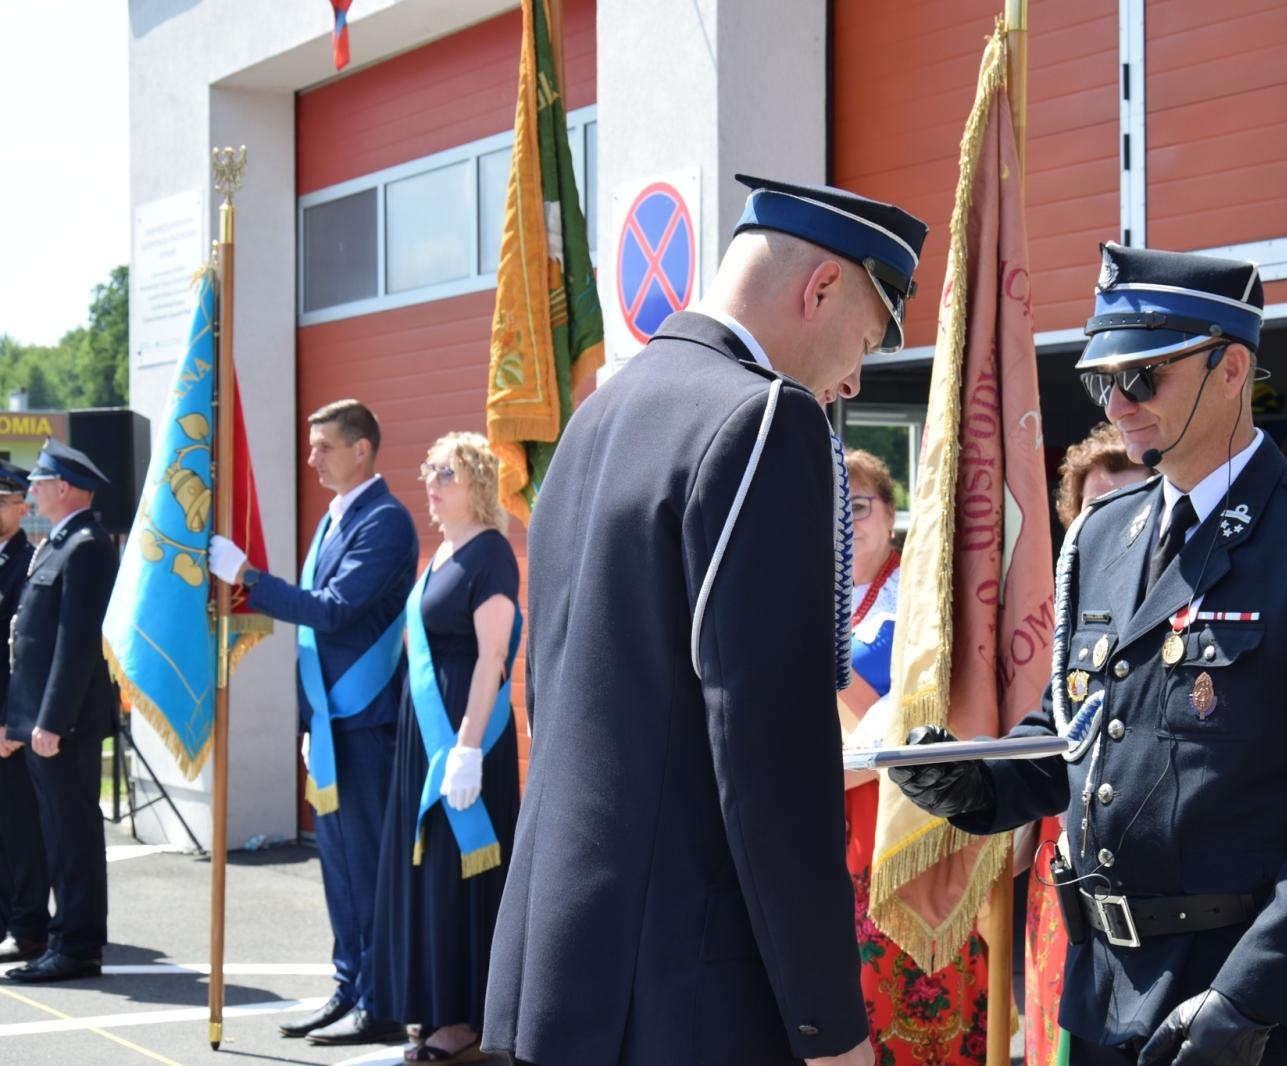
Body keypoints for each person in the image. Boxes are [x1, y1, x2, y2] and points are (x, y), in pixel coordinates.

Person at [889, 243, 1287, 1066]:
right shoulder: (1105, 530)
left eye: (1144, 377)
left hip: (1241, 989)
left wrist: (1253, 994)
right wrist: (978, 782)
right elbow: (1079, 728)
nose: (1119, 402)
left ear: (1233, 367)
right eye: (1104, 381)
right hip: (1105, 986)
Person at [483, 174, 928, 1066]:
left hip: (555, 966)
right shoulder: (765, 418)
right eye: (867, 343)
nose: (851, 379)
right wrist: (830, 1026)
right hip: (686, 990)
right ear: (823, 287)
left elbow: (556, 691)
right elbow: (771, 757)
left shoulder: (596, 413)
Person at [210, 399, 419, 1044]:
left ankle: (381, 1002)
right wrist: (306, 723)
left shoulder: (384, 521)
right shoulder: (336, 520)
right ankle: (349, 985)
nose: (312, 458)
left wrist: (247, 577)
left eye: (324, 446)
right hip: (332, 726)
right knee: (340, 867)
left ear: (362, 449)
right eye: (311, 446)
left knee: (368, 864)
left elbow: (333, 613)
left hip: (367, 723)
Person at [371, 432, 521, 1065]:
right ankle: (434, 1005)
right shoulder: (443, 552)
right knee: (428, 869)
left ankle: (465, 1020)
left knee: (462, 872)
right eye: (429, 469)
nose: (431, 481)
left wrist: (466, 747)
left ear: (479, 484)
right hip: (423, 734)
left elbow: (492, 656)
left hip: (465, 733)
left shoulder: (491, 554)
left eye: (446, 473)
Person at [839, 447, 988, 1065]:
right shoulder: (811, 595)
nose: (845, 522)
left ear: (892, 513)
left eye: (859, 506)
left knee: (914, 1006)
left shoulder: (917, 603)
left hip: (902, 833)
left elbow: (883, 717)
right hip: (828, 835)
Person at [1021, 426, 1145, 1065]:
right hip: (1069, 876)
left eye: (1135, 498)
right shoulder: (1071, 608)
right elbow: (1051, 727)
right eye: (1098, 508)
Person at [3, 440, 119, 983]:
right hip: (36, 720)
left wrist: (52, 721)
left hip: (62, 724)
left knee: (73, 834)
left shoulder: (89, 545)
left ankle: (77, 946)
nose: (30, 492)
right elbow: (26, 642)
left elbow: (75, 645)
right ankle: (58, 939)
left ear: (65, 488)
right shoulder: (56, 544)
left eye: (40, 482)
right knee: (53, 833)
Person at [0, 460, 47, 969]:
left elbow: (22, 653)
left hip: (6, 723)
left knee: (19, 829)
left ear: (21, 507)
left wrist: (11, 721)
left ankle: (28, 925)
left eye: (2, 501)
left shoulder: (28, 565)